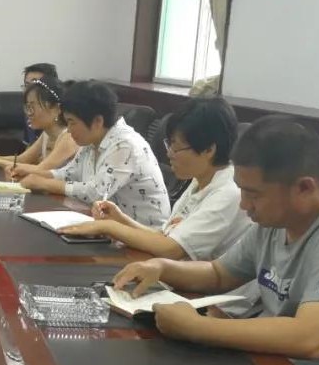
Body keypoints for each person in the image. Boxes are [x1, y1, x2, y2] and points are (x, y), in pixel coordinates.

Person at [113, 117, 319, 365]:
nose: (244, 205)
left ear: (304, 188)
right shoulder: (278, 220)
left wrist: (197, 327)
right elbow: (219, 273)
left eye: (253, 194)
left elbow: (310, 337)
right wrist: (162, 267)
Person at [59, 97, 251, 261]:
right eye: (169, 144)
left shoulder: (228, 193)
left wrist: (109, 227)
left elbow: (171, 248)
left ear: (209, 150)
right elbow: (164, 236)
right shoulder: (200, 180)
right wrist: (119, 219)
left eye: (176, 148)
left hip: (200, 289)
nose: (169, 154)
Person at [20, 80, 170, 227]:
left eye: (72, 122)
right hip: (110, 227)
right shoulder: (92, 141)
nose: (69, 130)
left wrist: (45, 184)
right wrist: (34, 175)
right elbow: (69, 173)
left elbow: (96, 192)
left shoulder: (125, 145)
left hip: (144, 233)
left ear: (97, 121)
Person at [0, 77, 77, 179]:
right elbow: (22, 159)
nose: (28, 113)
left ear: (56, 109)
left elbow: (41, 170)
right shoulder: (46, 134)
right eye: (27, 107)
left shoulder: (69, 137)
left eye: (32, 107)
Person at [20, 62, 59, 144]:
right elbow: (29, 147)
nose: (28, 91)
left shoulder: (66, 133)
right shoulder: (29, 113)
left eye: (35, 85)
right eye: (27, 85)